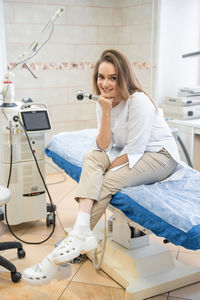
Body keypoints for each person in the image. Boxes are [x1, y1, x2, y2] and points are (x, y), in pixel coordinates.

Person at [22, 49, 180, 285]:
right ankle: (82, 234)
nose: (105, 84)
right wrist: (106, 111)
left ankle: (59, 257)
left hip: (158, 156)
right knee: (92, 158)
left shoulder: (139, 101)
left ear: (124, 78)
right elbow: (104, 146)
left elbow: (133, 152)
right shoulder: (103, 102)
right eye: (101, 77)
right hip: (127, 151)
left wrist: (106, 172)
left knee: (107, 181)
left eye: (113, 78)